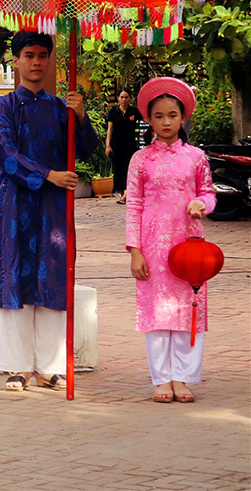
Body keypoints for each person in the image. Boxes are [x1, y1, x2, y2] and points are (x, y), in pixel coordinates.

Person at [0, 31, 97, 393]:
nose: (36, 62)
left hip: (54, 206)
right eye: (29, 55)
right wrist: (48, 174)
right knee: (16, 278)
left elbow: (85, 150)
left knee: (53, 277)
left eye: (42, 56)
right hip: (17, 202)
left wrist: (81, 117)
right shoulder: (3, 107)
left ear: (50, 60)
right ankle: (17, 366)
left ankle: (49, 366)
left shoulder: (60, 107)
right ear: (16, 60)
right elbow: (6, 155)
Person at [125, 77, 216, 403]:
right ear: (149, 119)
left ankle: (183, 377)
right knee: (158, 313)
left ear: (183, 117)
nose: (166, 122)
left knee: (188, 310)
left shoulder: (196, 157)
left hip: (189, 244)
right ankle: (162, 378)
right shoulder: (141, 160)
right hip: (152, 246)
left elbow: (208, 192)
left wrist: (201, 204)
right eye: (159, 116)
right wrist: (135, 251)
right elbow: (133, 206)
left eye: (172, 115)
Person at [106, 88, 141, 204]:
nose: (124, 100)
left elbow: (147, 119)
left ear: (130, 98)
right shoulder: (113, 112)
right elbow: (110, 129)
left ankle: (126, 193)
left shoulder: (134, 111)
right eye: (121, 97)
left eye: (126, 97)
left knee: (128, 169)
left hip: (130, 146)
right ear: (118, 98)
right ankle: (122, 193)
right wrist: (108, 145)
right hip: (116, 145)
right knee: (118, 169)